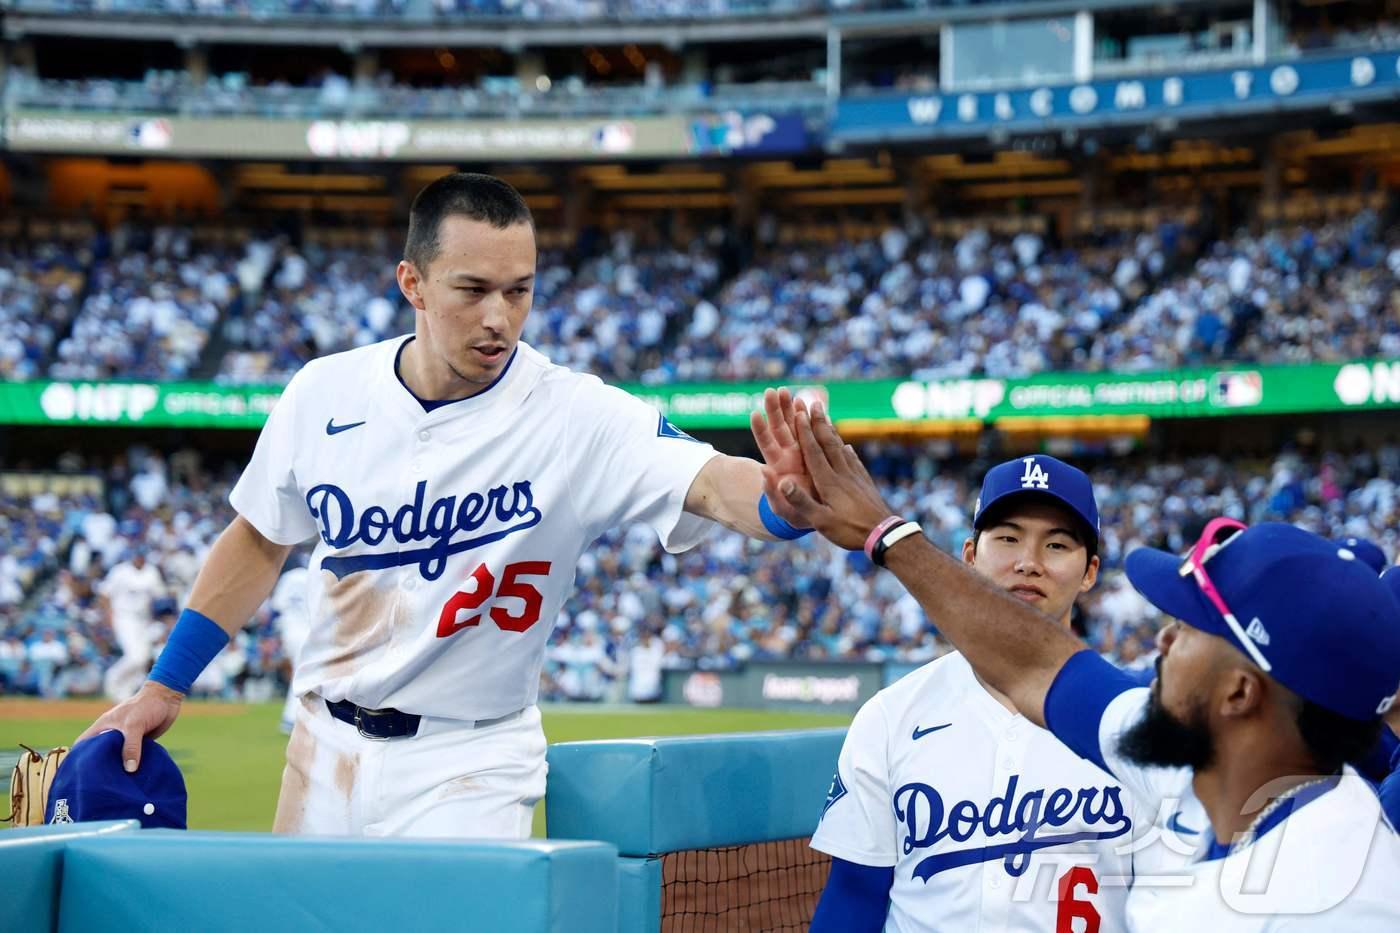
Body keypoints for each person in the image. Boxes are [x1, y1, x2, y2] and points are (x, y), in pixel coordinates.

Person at [75, 173, 813, 840]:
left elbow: (710, 481)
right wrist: (164, 684)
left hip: (472, 758)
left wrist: (780, 502)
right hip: (322, 745)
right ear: (414, 283)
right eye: (473, 289)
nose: (500, 317)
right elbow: (260, 539)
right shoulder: (324, 392)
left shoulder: (575, 414)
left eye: (519, 290)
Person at [769, 403, 1400, 929]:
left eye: (1189, 628)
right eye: (1007, 538)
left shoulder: (1319, 901)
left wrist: (889, 535)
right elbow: (1044, 670)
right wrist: (885, 534)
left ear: (1238, 694)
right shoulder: (1203, 755)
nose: (1162, 641)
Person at [810, 455, 1151, 932]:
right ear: (970, 554)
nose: (1028, 562)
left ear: (1090, 571)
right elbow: (853, 896)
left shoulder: (1133, 722)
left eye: (1056, 545)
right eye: (1008, 539)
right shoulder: (891, 716)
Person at [98, 549, 166, 701]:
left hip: (144, 619)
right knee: (135, 656)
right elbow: (104, 594)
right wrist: (108, 616)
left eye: (141, 556)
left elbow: (160, 595)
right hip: (124, 617)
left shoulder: (151, 572)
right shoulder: (120, 571)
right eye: (137, 556)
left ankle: (124, 693)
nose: (139, 559)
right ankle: (112, 678)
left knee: (144, 658)